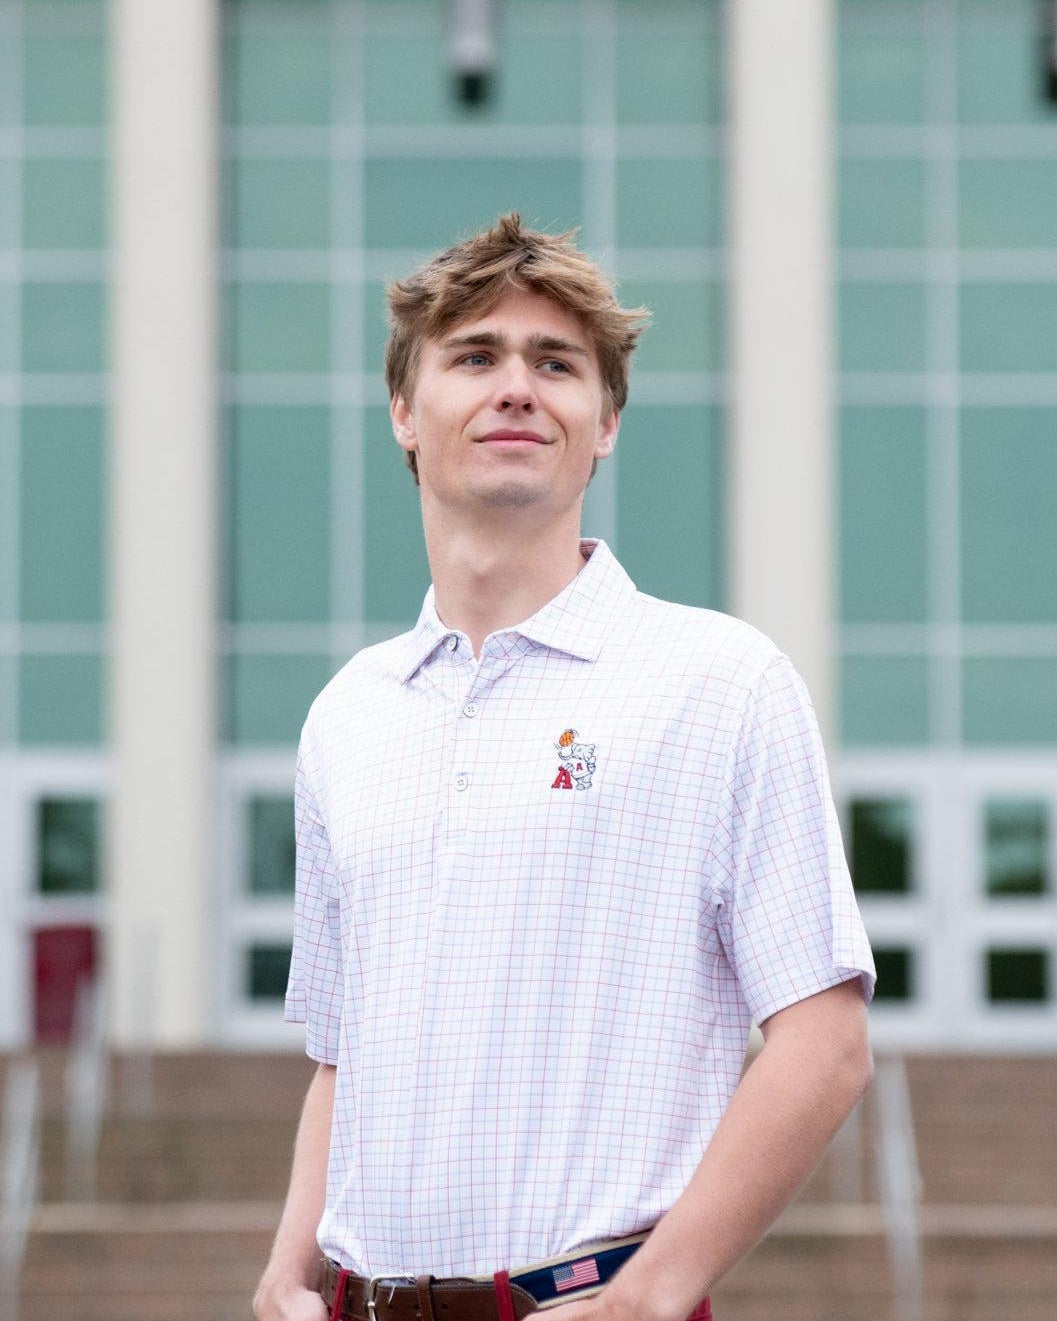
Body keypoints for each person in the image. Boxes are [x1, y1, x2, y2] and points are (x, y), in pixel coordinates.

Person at [253, 213, 876, 1321]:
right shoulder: (346, 716)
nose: (516, 388)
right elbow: (342, 1056)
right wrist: (282, 1274)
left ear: (605, 423)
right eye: (475, 356)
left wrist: (653, 1296)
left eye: (556, 364)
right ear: (404, 408)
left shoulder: (721, 682)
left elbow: (823, 1045)